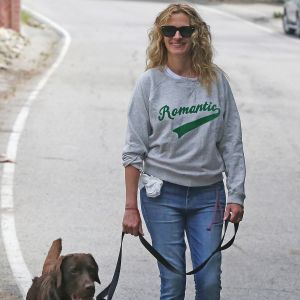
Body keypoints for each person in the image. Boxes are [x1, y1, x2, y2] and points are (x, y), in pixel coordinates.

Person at [122, 3, 246, 300]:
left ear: (196, 34)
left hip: (209, 195)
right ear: (160, 35)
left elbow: (231, 142)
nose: (177, 36)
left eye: (185, 30)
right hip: (162, 195)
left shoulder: (215, 82)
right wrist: (130, 208)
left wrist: (236, 194)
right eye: (169, 30)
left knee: (208, 282)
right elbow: (133, 150)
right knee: (174, 282)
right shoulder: (149, 83)